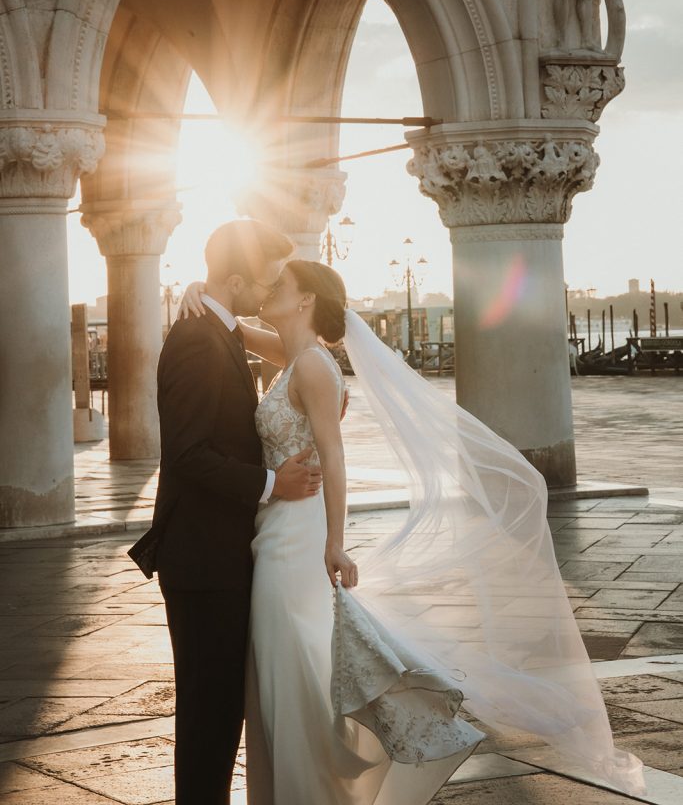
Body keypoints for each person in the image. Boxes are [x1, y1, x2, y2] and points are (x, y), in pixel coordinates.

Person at [180, 259, 645, 803]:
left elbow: (334, 456)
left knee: (290, 667)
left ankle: (313, 787)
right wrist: (203, 291)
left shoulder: (310, 366)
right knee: (284, 662)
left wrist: (335, 541)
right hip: (275, 527)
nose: (266, 287)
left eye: (278, 284)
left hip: (297, 536)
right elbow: (237, 331)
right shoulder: (297, 357)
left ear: (305, 299)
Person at [129, 220, 325, 805]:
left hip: (221, 553)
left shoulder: (218, 328)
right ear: (236, 280)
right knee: (207, 712)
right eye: (263, 280)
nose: (268, 291)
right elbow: (187, 453)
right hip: (203, 558)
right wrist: (273, 483)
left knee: (218, 709)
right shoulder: (195, 338)